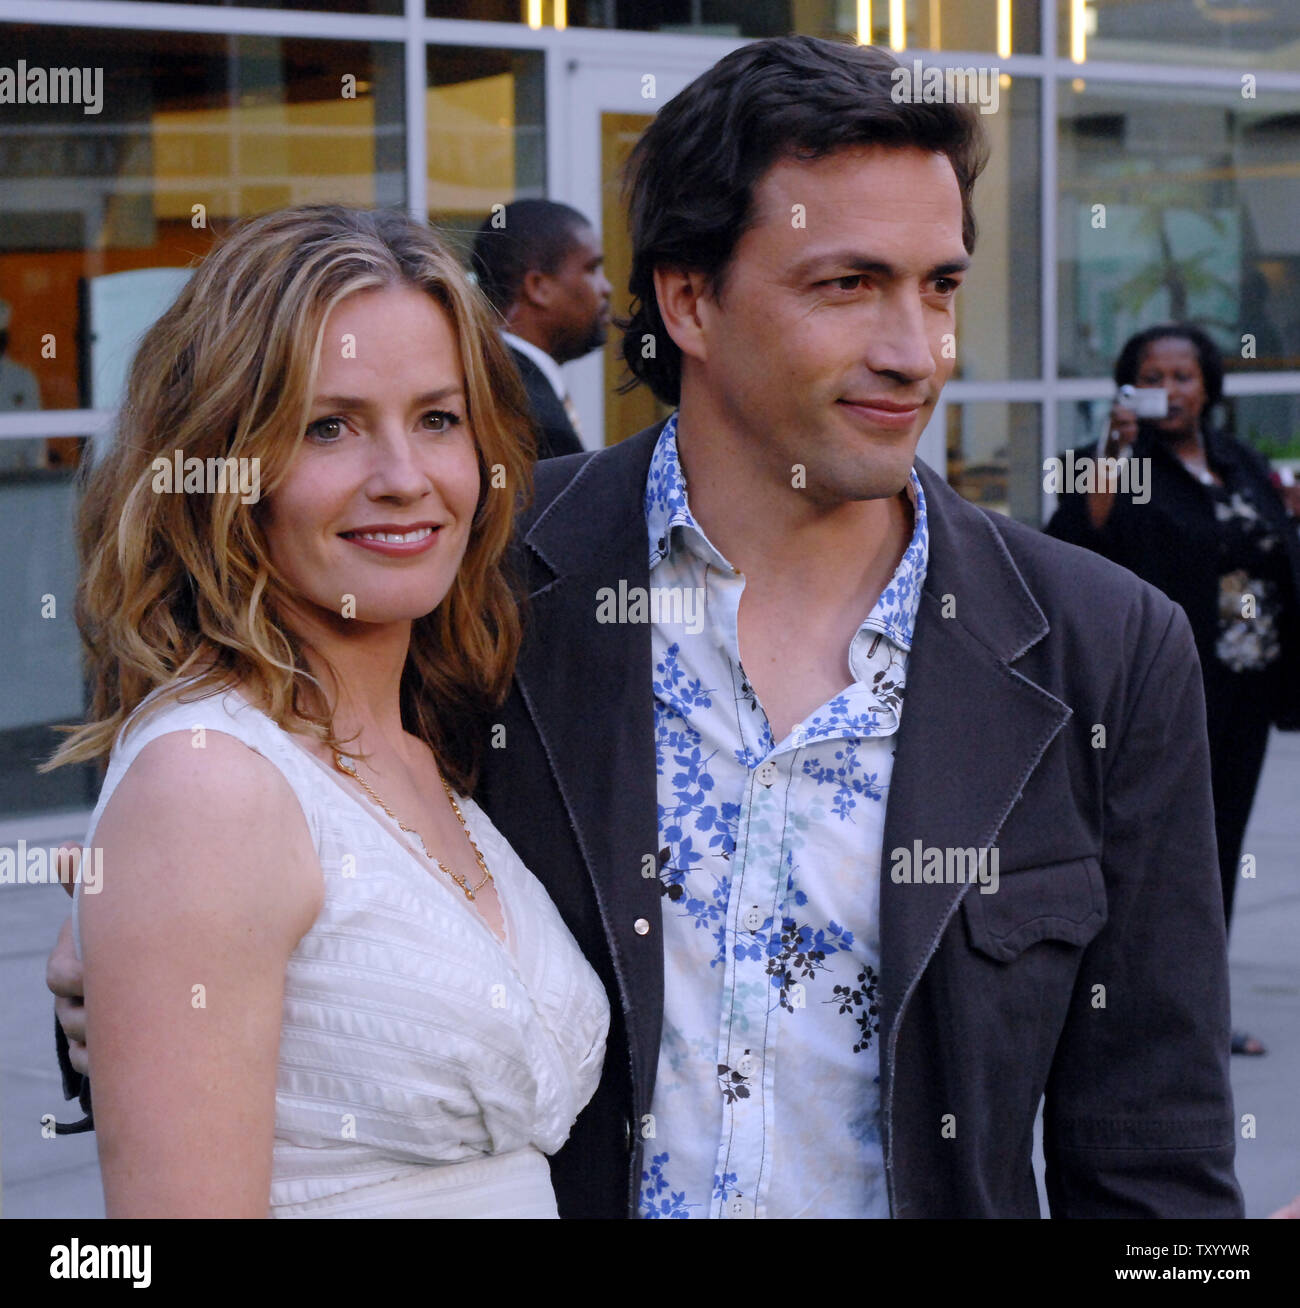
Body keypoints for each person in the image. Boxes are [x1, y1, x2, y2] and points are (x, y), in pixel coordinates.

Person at [51, 36, 1242, 1219]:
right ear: (688, 300)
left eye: (939, 287)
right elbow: (280, 945)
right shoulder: (481, 586)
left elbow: (1145, 1145)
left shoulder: (1103, 648)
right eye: (847, 285)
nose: (913, 352)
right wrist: (117, 961)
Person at [42, 204, 608, 1217]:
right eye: (328, 426)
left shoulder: (426, 744)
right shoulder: (209, 782)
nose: (403, 479)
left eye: (437, 418)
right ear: (225, 466)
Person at [1046, 323, 1300, 1058]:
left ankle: (1200, 1016)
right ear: (1129, 388)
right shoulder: (1115, 462)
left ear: (1208, 384)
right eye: (1153, 376)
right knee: (1150, 857)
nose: (1172, 389)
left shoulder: (1238, 461)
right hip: (1160, 691)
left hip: (1246, 691)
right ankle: (1117, 1012)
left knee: (1219, 851)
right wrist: (1115, 452)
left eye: (1184, 376)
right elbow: (1075, 539)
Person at [470, 199, 611, 459]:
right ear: (538, 287)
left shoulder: (487, 379)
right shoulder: (529, 414)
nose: (606, 288)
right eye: (591, 269)